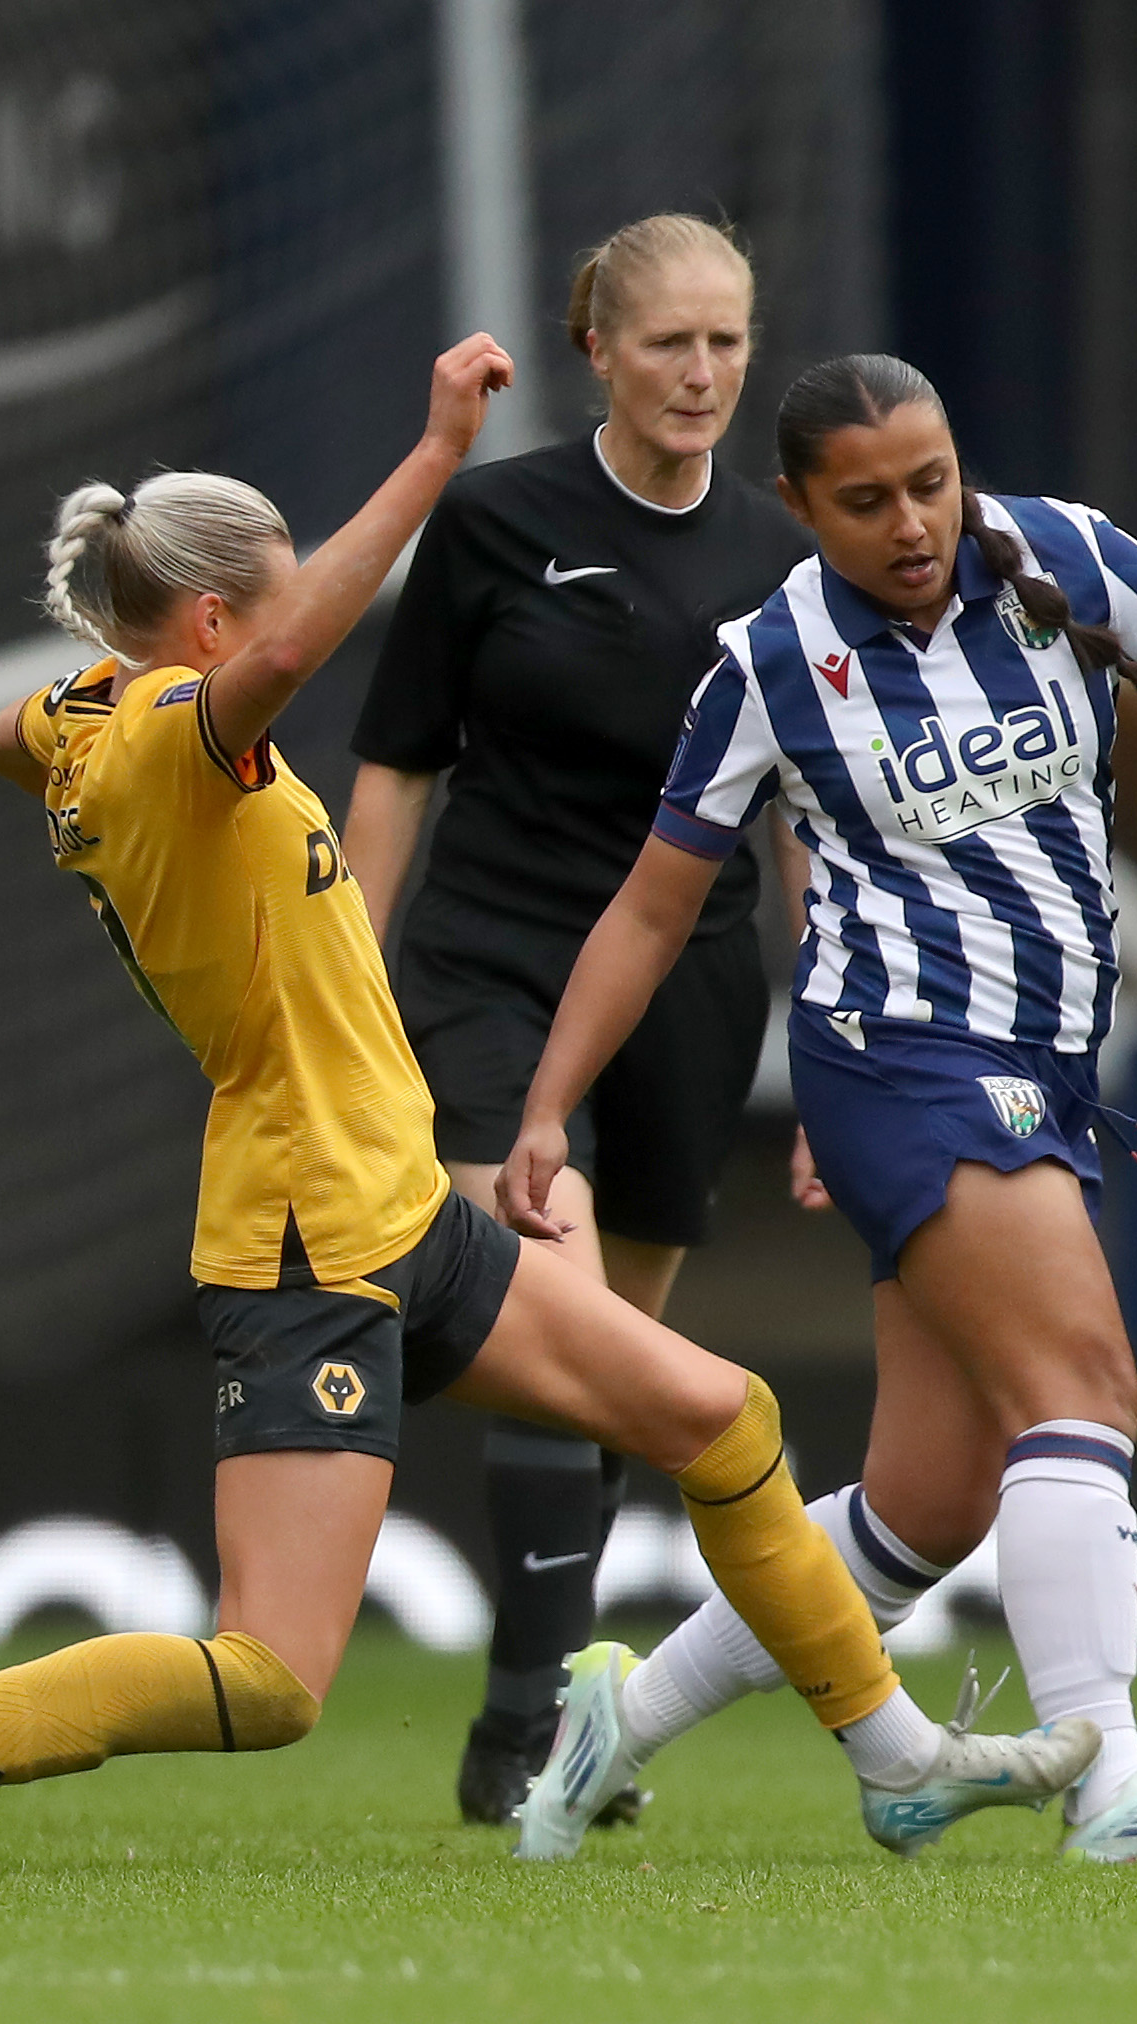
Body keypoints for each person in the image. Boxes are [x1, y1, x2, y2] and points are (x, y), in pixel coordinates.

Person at [0, 336, 1096, 1880]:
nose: (302, 610)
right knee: (270, 1681)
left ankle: (896, 1762)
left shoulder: (82, 729)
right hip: (306, 1237)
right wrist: (437, 456)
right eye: (278, 590)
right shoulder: (172, 741)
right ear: (219, 620)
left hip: (397, 1209)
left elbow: (2, 735)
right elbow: (286, 659)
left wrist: (80, 699)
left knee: (720, 1419)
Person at [498, 354, 1137, 1863]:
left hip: (1044, 1071)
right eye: (864, 500)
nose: (909, 523)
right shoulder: (766, 664)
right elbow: (650, 911)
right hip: (898, 1058)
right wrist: (547, 1111)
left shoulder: (1072, 563)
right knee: (1080, 1386)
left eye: (929, 482)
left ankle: (610, 1728)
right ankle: (1112, 1788)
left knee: (930, 1503)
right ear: (798, 509)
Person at [342, 215, 812, 1828]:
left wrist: (828, 1047)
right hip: (494, 963)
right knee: (553, 1323)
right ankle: (541, 1724)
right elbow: (400, 756)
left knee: (616, 1361)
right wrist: (344, 970)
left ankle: (515, 1722)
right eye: (668, 343)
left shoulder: (781, 556)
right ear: (593, 350)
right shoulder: (493, 522)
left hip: (686, 989)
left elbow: (808, 821)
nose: (700, 375)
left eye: (726, 344)